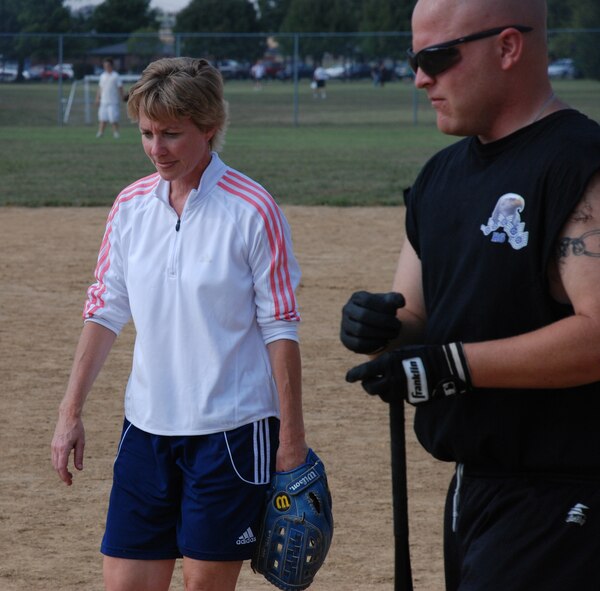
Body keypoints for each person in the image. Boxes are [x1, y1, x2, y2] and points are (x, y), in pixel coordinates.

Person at [341, 0, 600, 589]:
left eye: (438, 56)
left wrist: (449, 366)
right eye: (415, 58)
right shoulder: (440, 176)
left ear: (508, 47)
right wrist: (383, 328)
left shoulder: (578, 165)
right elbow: (417, 314)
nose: (420, 77)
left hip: (567, 495)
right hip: (473, 490)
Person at [52, 57, 309, 591]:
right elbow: (104, 311)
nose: (156, 149)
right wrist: (69, 412)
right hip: (145, 429)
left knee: (203, 587)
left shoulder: (252, 208)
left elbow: (280, 328)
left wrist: (291, 443)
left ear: (210, 129)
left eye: (171, 134)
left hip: (232, 435)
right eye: (147, 133)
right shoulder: (129, 207)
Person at [95, 58, 125, 139]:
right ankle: (100, 133)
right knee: (102, 118)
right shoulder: (102, 76)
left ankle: (116, 133)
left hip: (113, 101)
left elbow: (120, 87)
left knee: (113, 119)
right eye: (105, 65)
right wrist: (97, 98)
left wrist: (122, 96)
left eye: (107, 65)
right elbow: (100, 88)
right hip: (104, 101)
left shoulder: (116, 76)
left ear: (111, 66)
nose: (106, 67)